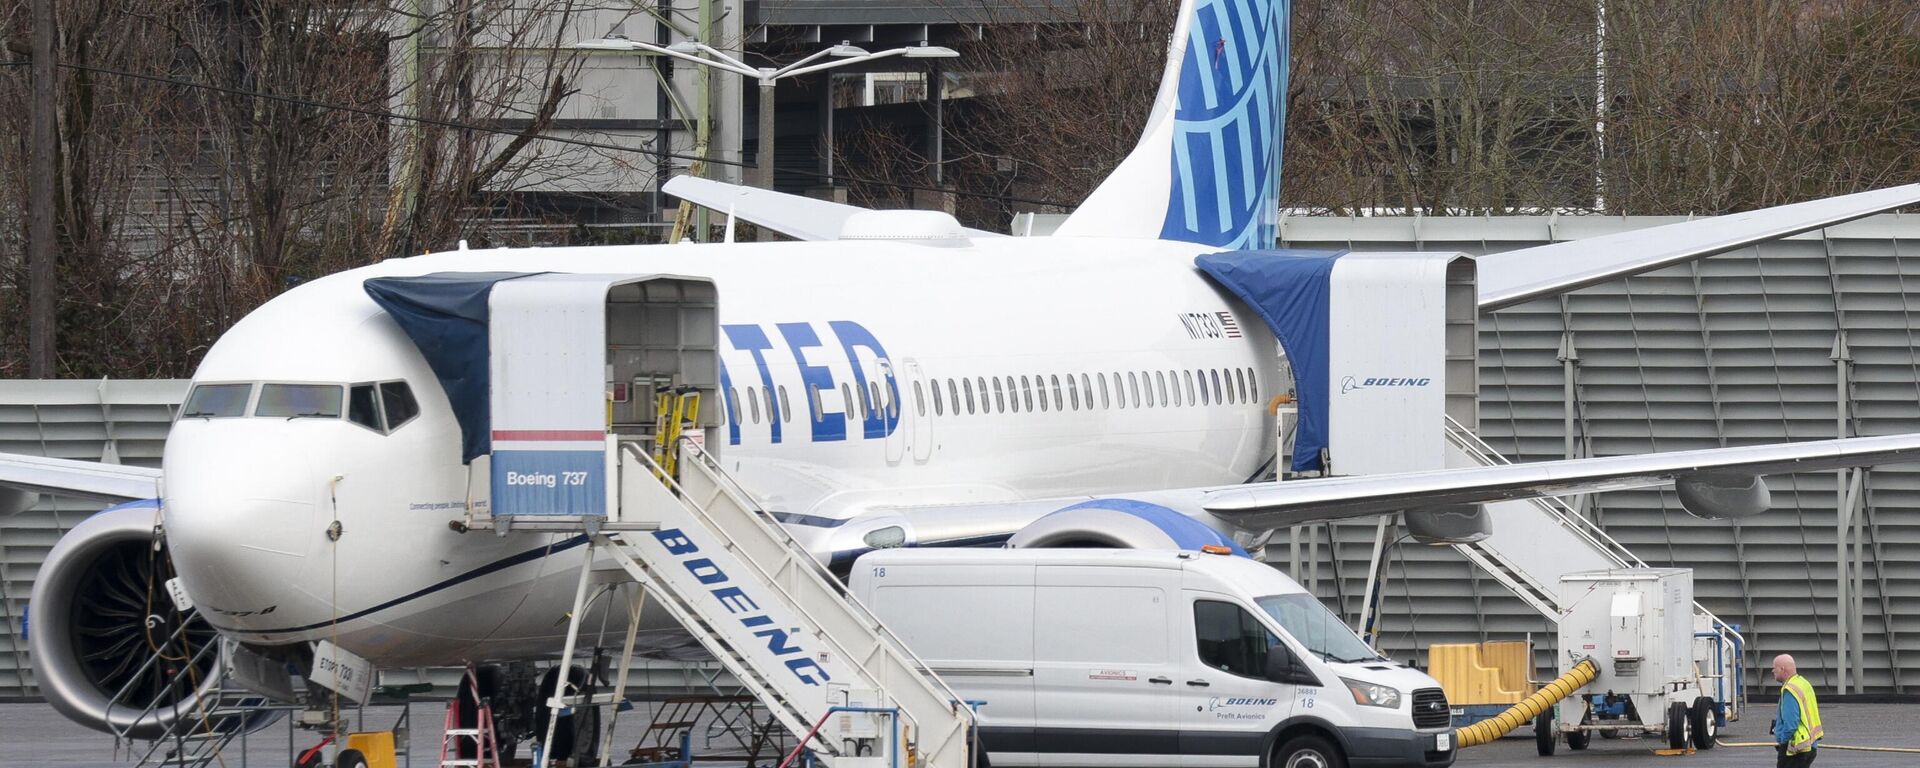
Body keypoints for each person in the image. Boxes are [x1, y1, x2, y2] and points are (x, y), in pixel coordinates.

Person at [1772, 654, 1823, 767]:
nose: (1772, 671)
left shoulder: (1790, 690)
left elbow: (1791, 723)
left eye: (1774, 668)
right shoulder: (1803, 683)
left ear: (1782, 669)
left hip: (1796, 748)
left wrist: (1782, 741)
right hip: (1810, 745)